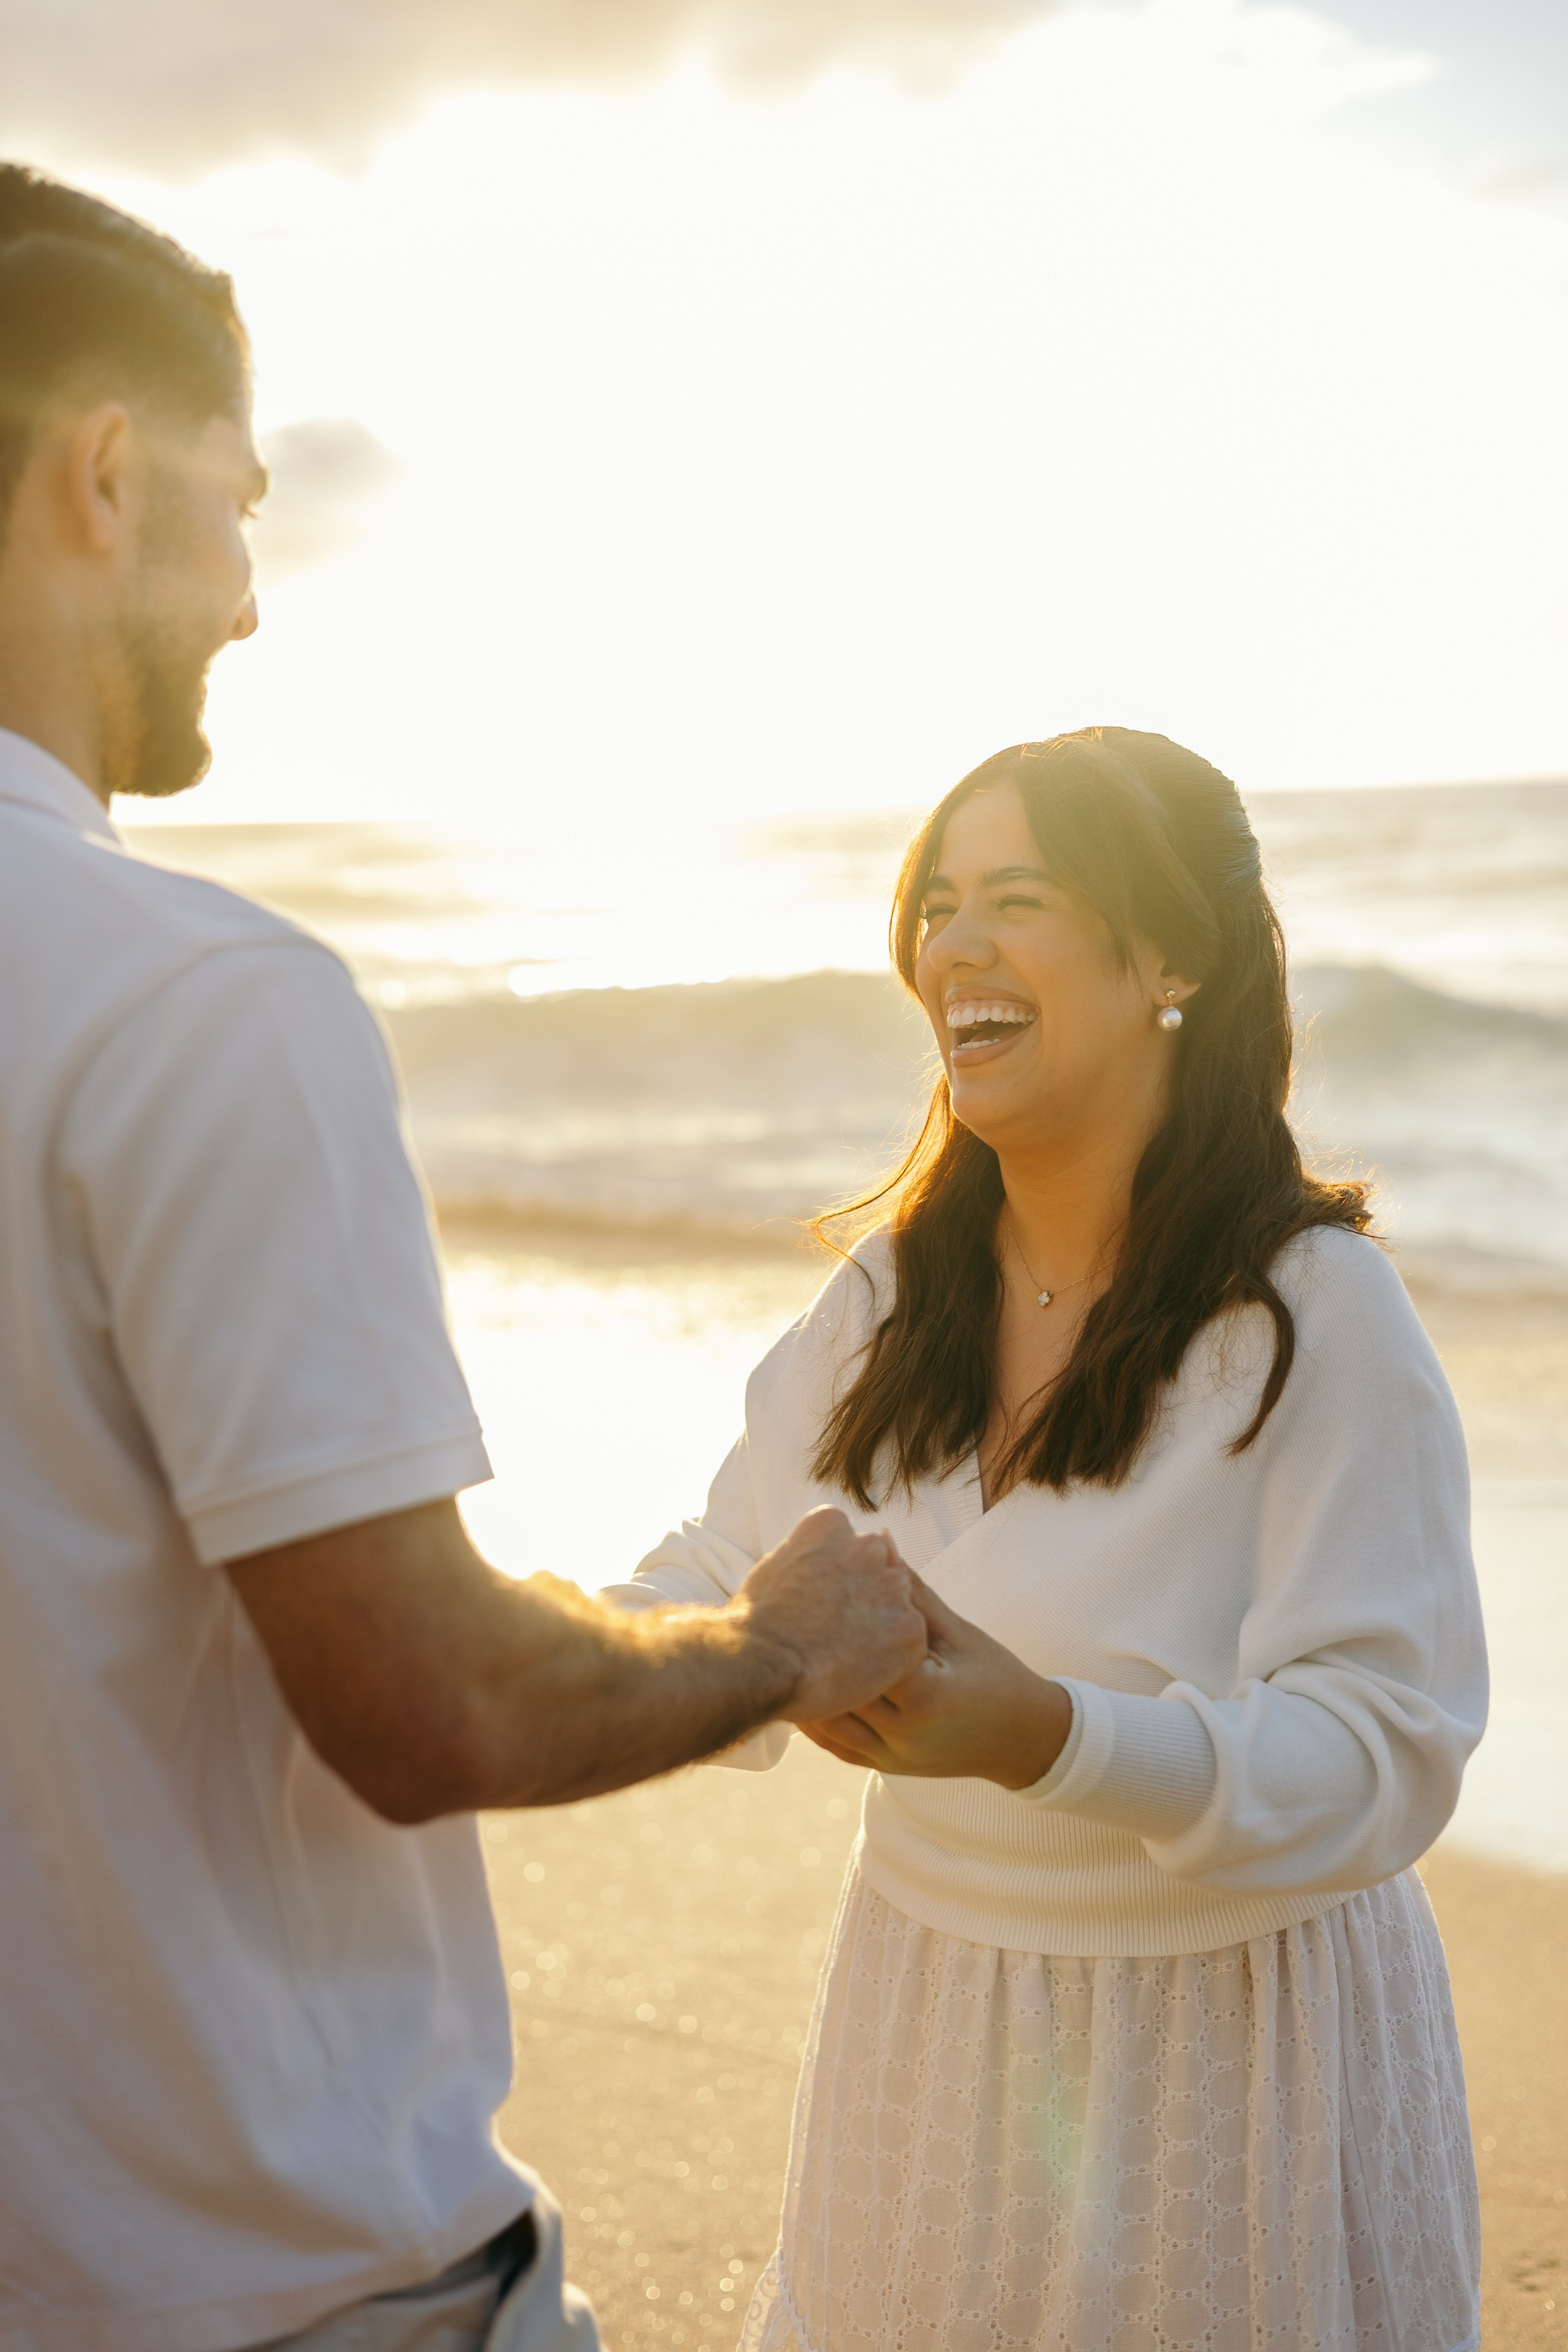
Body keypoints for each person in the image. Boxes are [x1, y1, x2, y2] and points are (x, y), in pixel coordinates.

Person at [0, 165, 929, 2352]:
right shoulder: (194, 1001)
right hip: (283, 2301)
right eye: (240, 505)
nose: (249, 599)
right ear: (108, 476)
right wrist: (771, 1644)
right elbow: (429, 1698)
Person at [610, 728, 1488, 2352]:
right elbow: (716, 1577)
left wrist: (1049, 1739)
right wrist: (467, 1647)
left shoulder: (1315, 1316)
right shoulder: (886, 1296)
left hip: (1228, 2060)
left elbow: (1386, 1753)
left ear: (1173, 956)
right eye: (937, 902)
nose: (954, 944)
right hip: (929, 2027)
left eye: (1017, 896)